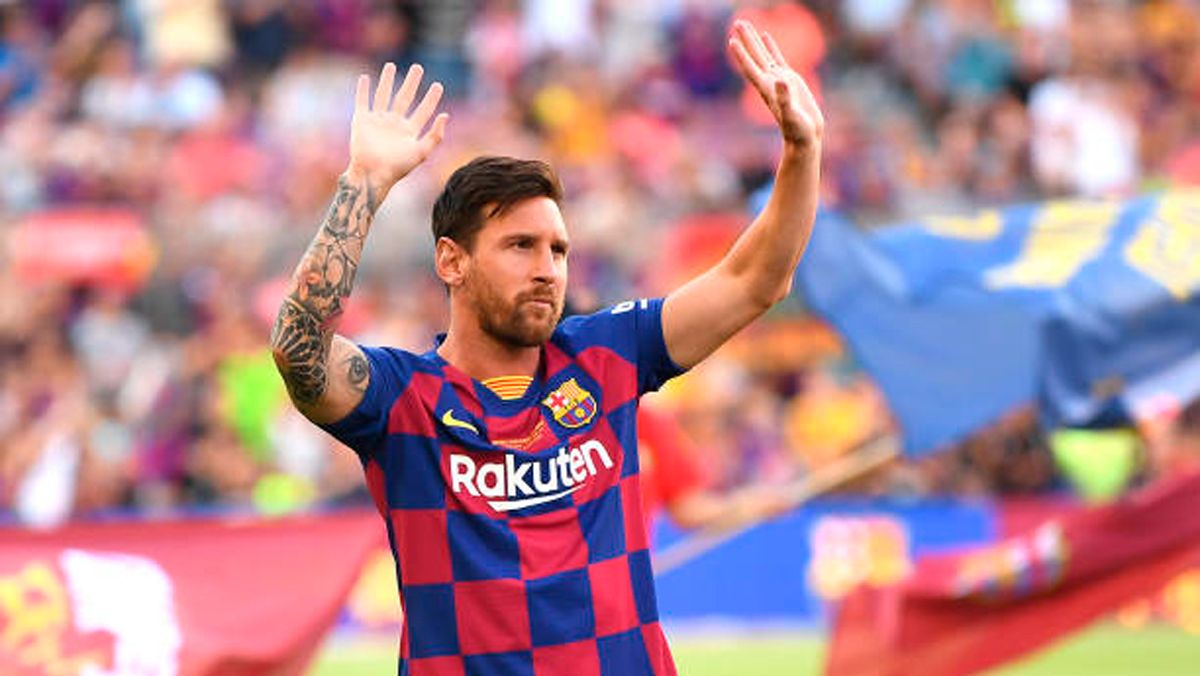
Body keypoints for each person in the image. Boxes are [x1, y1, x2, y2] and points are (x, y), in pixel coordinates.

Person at [270, 19, 822, 676]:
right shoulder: (403, 400)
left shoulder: (608, 356)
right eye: (520, 246)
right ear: (451, 261)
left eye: (557, 250)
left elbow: (755, 280)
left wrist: (802, 149)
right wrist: (363, 182)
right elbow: (299, 350)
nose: (547, 270)